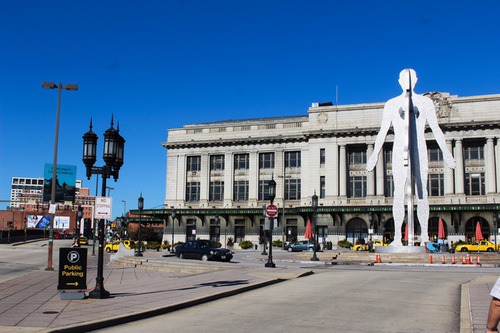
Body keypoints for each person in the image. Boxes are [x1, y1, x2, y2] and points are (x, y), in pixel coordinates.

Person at [367, 69, 456, 247]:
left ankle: (424, 237)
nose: (407, 82)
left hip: (419, 150)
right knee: (398, 194)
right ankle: (398, 238)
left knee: (422, 193)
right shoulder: (391, 104)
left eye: (411, 78)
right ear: (399, 81)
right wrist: (374, 154)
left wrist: (446, 152)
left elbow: (436, 129)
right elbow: (382, 132)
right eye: (404, 79)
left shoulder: (425, 102)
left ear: (416, 81)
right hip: (399, 149)